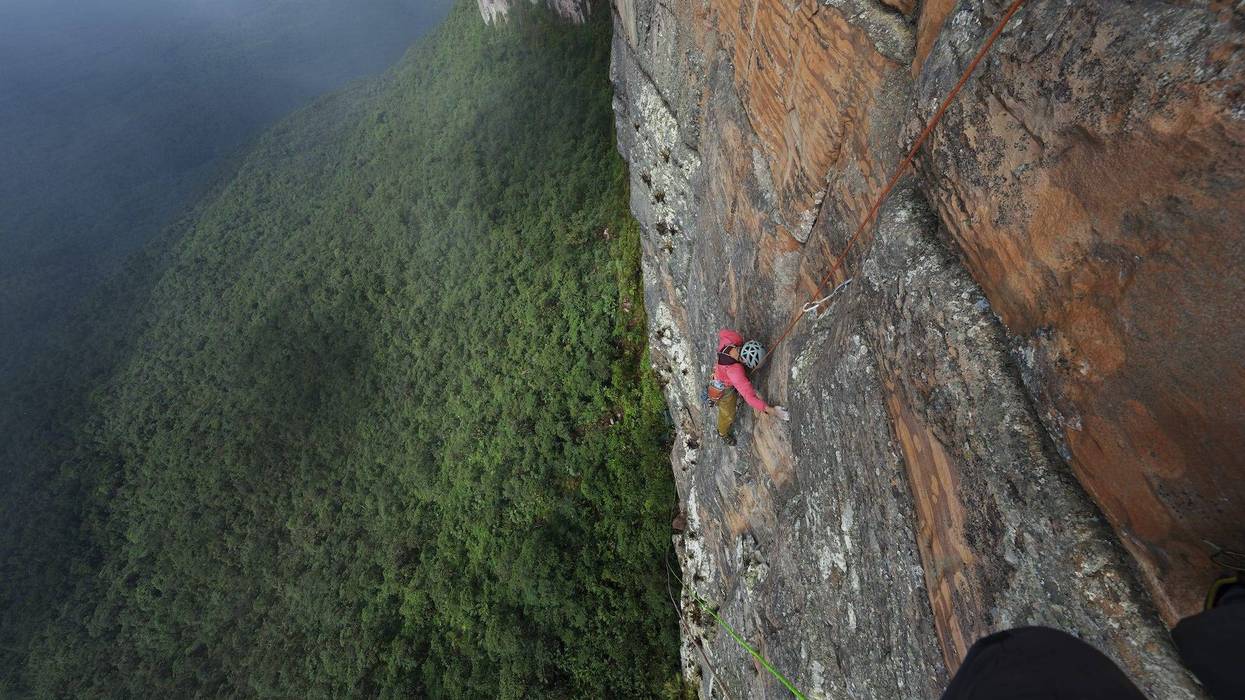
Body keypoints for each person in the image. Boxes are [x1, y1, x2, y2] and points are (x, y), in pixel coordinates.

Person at [712, 329, 788, 446]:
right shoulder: (735, 372)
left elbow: (722, 333)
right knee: (728, 414)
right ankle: (722, 433)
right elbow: (749, 397)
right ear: (744, 362)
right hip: (725, 386)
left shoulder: (733, 339)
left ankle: (712, 397)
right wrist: (771, 410)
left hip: (718, 371)